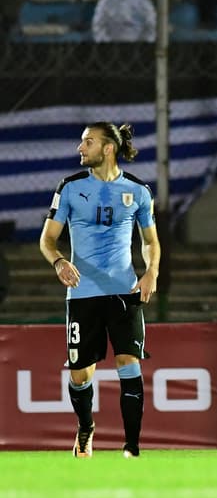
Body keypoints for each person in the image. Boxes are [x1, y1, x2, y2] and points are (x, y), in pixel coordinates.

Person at [39, 122, 159, 458]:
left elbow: (150, 242)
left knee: (129, 363)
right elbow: (48, 239)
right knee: (80, 375)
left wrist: (151, 272)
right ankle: (86, 427)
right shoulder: (70, 187)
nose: (80, 148)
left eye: (87, 142)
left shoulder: (138, 191)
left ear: (108, 148)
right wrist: (60, 262)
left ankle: (132, 447)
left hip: (124, 292)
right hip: (83, 293)